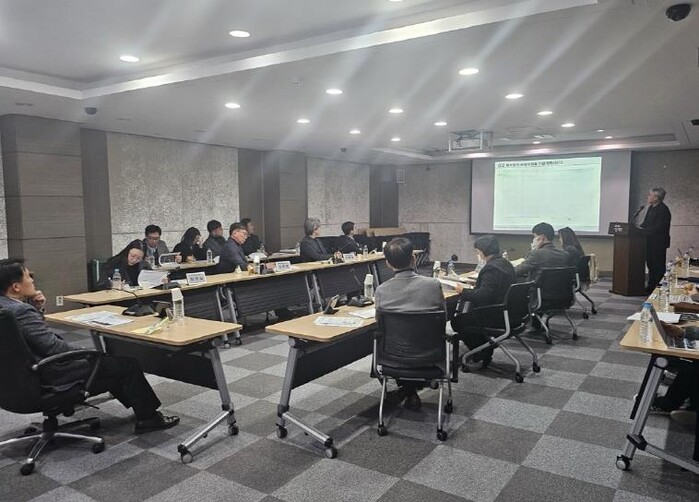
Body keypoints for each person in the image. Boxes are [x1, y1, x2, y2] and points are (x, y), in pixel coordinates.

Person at [0, 258, 179, 433]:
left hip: (17, 381)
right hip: (49, 374)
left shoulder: (5, 308)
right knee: (127, 365)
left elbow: (30, 339)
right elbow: (53, 348)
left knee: (111, 366)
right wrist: (85, 352)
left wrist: (37, 309)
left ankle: (140, 406)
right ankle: (149, 418)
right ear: (16, 287)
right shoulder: (21, 311)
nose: (32, 280)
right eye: (28, 276)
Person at [374, 237, 446, 411]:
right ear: (413, 259)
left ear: (388, 264)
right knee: (414, 339)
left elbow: (379, 324)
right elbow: (443, 321)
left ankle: (407, 390)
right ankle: (411, 390)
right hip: (430, 354)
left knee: (397, 339)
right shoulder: (433, 285)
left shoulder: (381, 290)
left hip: (393, 356)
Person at [451, 235, 516, 367]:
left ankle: (483, 349)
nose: (477, 254)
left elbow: (484, 296)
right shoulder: (505, 264)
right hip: (511, 313)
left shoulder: (491, 268)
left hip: (495, 315)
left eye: (477, 251)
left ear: (482, 251)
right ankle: (485, 346)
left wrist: (463, 291)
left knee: (458, 321)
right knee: (466, 317)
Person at [639, 187, 672, 293]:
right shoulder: (651, 208)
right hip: (649, 241)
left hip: (658, 243)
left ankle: (659, 288)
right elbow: (645, 223)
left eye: (650, 195)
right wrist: (638, 229)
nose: (648, 197)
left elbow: (659, 227)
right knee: (651, 265)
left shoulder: (663, 210)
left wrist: (644, 231)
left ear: (656, 198)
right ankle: (651, 286)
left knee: (658, 266)